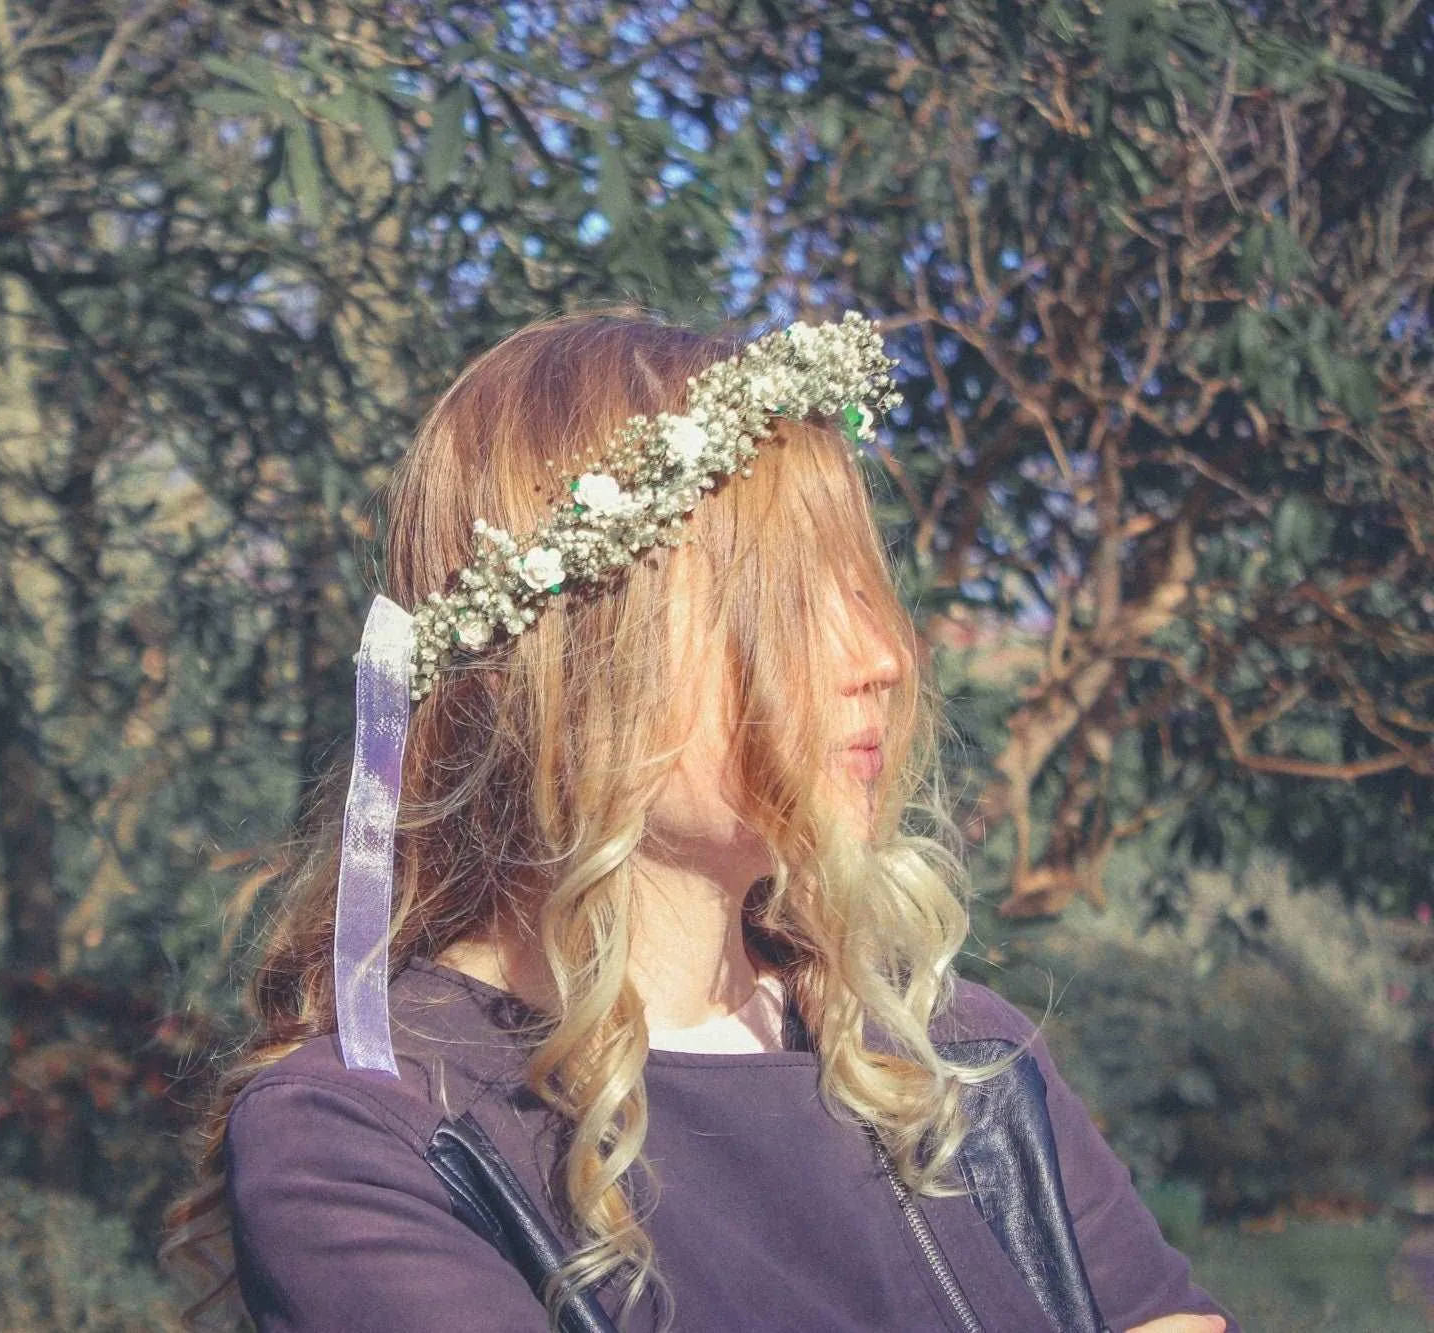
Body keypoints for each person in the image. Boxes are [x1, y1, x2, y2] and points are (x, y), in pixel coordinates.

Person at [162, 309, 1235, 1333]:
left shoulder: (957, 1058)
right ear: (571, 660)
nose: (881, 658)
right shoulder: (373, 1132)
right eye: (782, 599)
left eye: (864, 588)